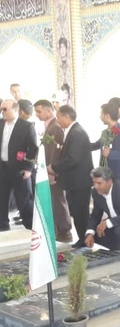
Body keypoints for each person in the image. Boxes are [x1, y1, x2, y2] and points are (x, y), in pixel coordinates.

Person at [49, 105, 94, 246]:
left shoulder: (77, 132)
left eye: (59, 117)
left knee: (81, 213)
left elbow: (73, 158)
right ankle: (82, 238)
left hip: (79, 181)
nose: (57, 120)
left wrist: (54, 167)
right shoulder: (72, 131)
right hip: (73, 181)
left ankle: (84, 239)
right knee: (76, 211)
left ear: (66, 116)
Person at [34, 99, 72, 242]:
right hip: (48, 170)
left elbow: (56, 152)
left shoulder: (55, 127)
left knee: (58, 200)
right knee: (54, 200)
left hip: (53, 171)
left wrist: (52, 171)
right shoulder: (49, 126)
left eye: (39, 111)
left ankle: (64, 230)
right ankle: (58, 229)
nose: (37, 114)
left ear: (49, 111)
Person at [0, 98, 37, 231]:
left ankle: (31, 228)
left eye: (5, 109)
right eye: (1, 109)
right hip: (2, 167)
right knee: (2, 199)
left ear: (15, 110)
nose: (2, 112)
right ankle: (3, 227)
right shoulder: (1, 123)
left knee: (24, 200)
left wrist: (28, 168)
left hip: (19, 169)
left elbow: (33, 149)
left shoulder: (26, 126)